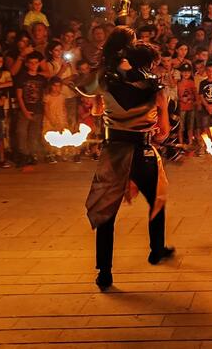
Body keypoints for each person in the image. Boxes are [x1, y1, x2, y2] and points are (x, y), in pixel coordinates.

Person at [82, 26, 174, 291]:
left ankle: (105, 272)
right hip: (143, 152)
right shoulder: (156, 87)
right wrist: (153, 129)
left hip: (114, 153)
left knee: (106, 215)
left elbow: (91, 100)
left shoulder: (106, 80)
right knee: (157, 199)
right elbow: (164, 132)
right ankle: (157, 249)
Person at [14, 52, 48, 166]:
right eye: (31, 63)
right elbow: (19, 96)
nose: (33, 65)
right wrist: (24, 111)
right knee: (21, 133)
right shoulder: (22, 77)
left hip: (38, 110)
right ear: (27, 64)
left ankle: (32, 155)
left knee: (34, 134)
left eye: (36, 63)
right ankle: (23, 155)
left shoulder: (41, 78)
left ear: (39, 64)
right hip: (24, 110)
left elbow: (44, 95)